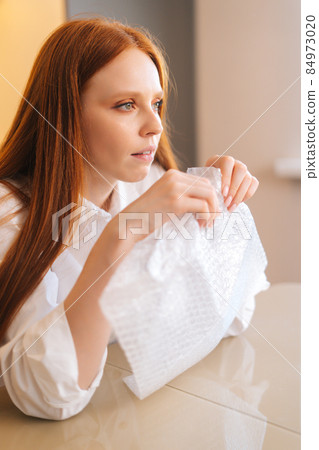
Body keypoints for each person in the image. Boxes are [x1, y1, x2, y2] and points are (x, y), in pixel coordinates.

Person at [0, 17, 259, 420]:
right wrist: (119, 235)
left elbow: (229, 315)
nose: (155, 126)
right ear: (66, 114)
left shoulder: (146, 184)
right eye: (126, 105)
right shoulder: (10, 217)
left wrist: (218, 204)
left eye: (156, 103)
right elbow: (48, 395)